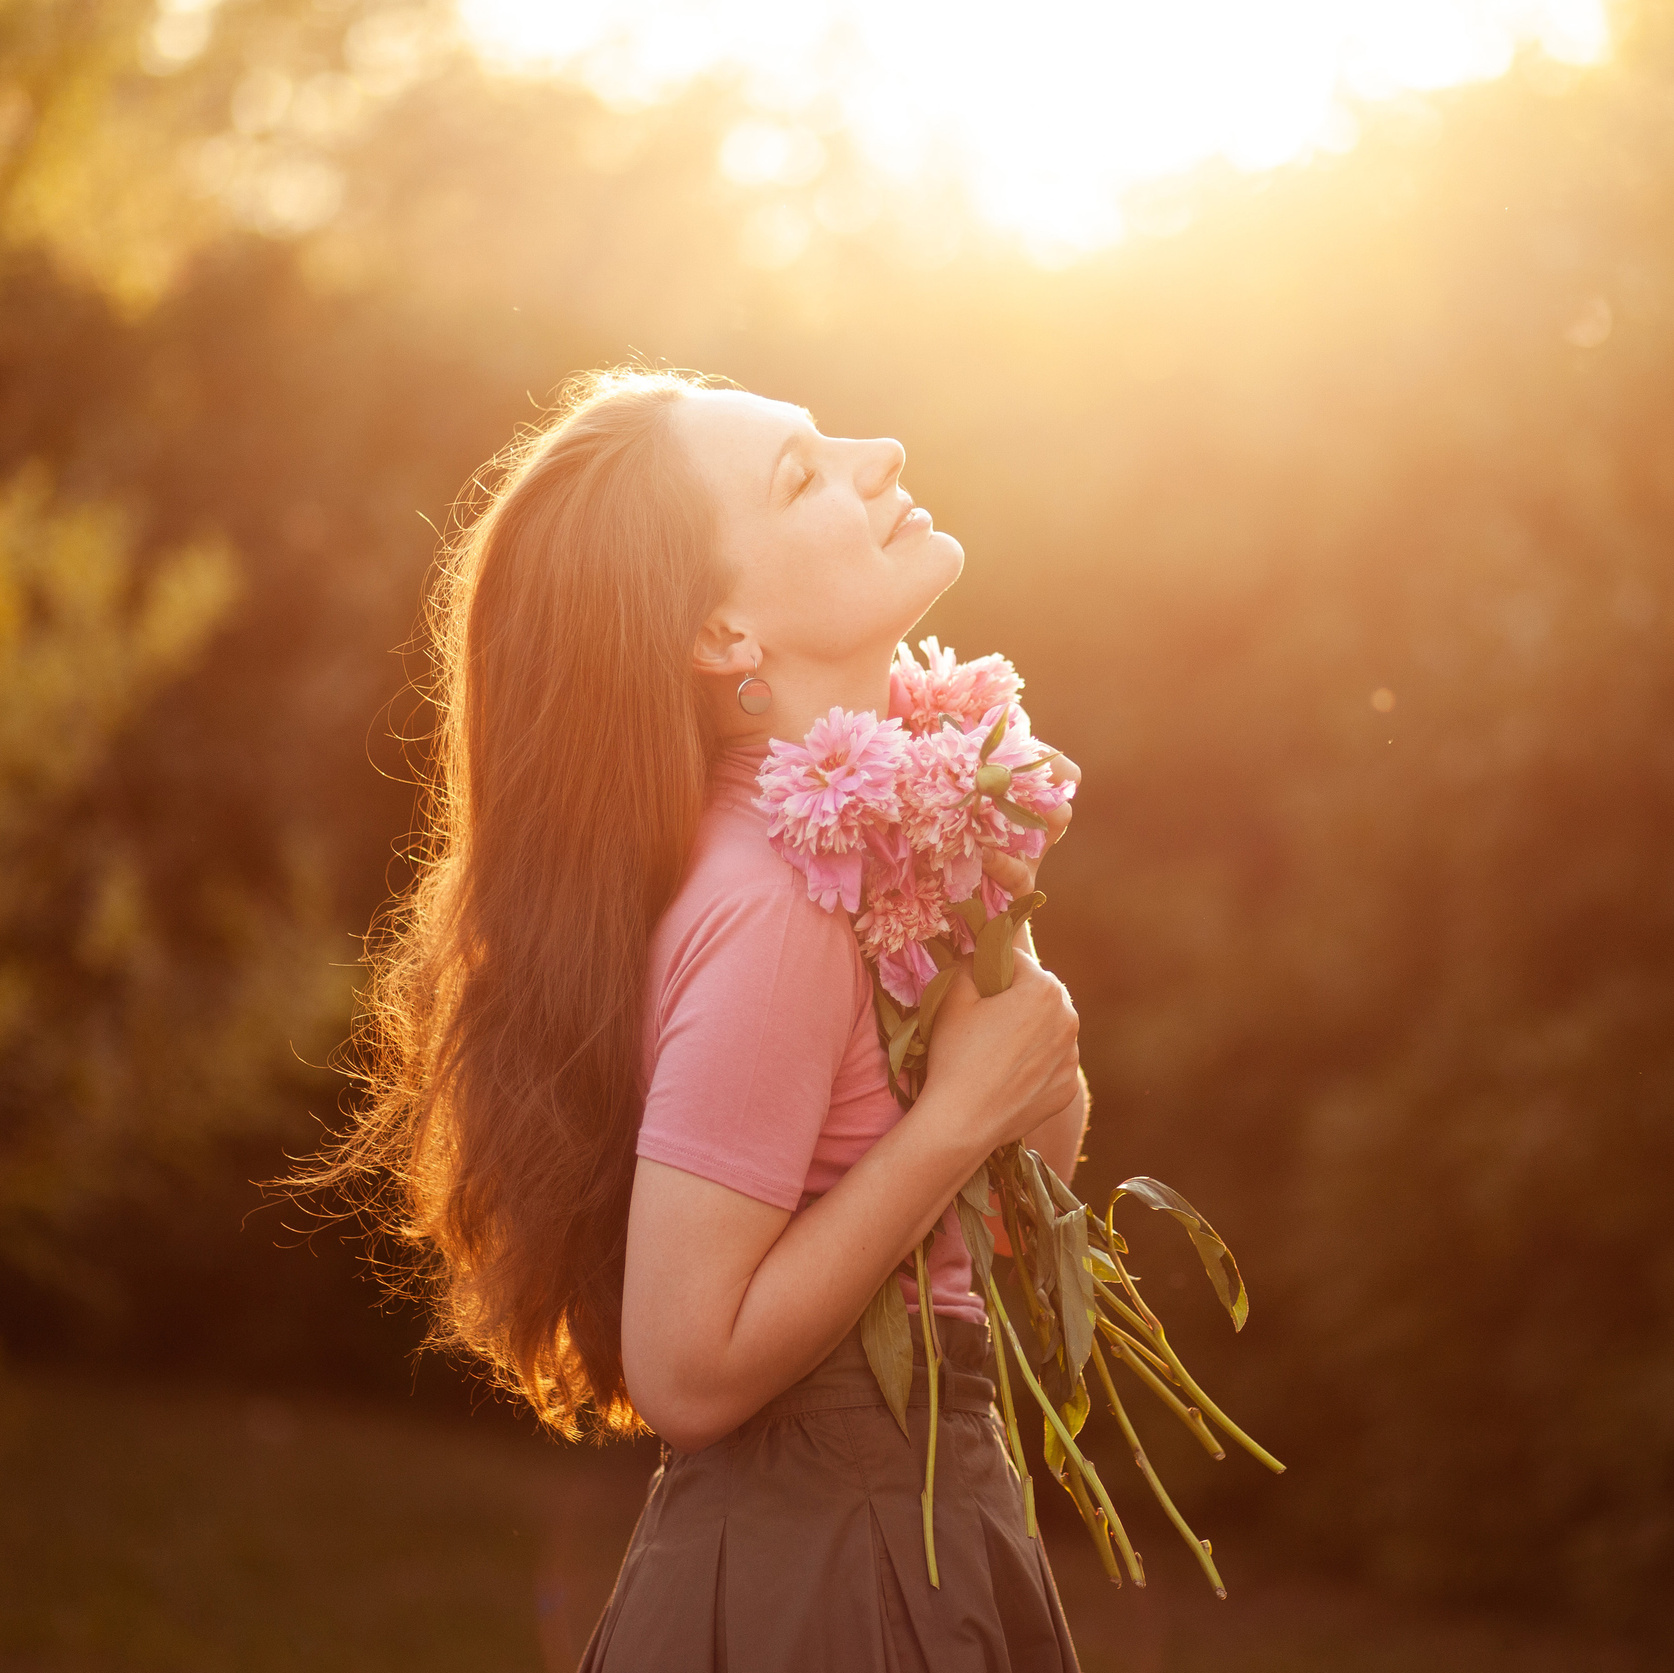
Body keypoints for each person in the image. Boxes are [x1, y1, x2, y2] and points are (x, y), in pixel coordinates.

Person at [326, 367, 1088, 1671]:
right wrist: (961, 1111)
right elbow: (682, 1366)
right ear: (722, 634)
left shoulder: (857, 853)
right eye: (803, 471)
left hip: (910, 1533)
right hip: (835, 1579)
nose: (881, 450)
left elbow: (1003, 1238)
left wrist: (1005, 1049)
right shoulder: (775, 903)